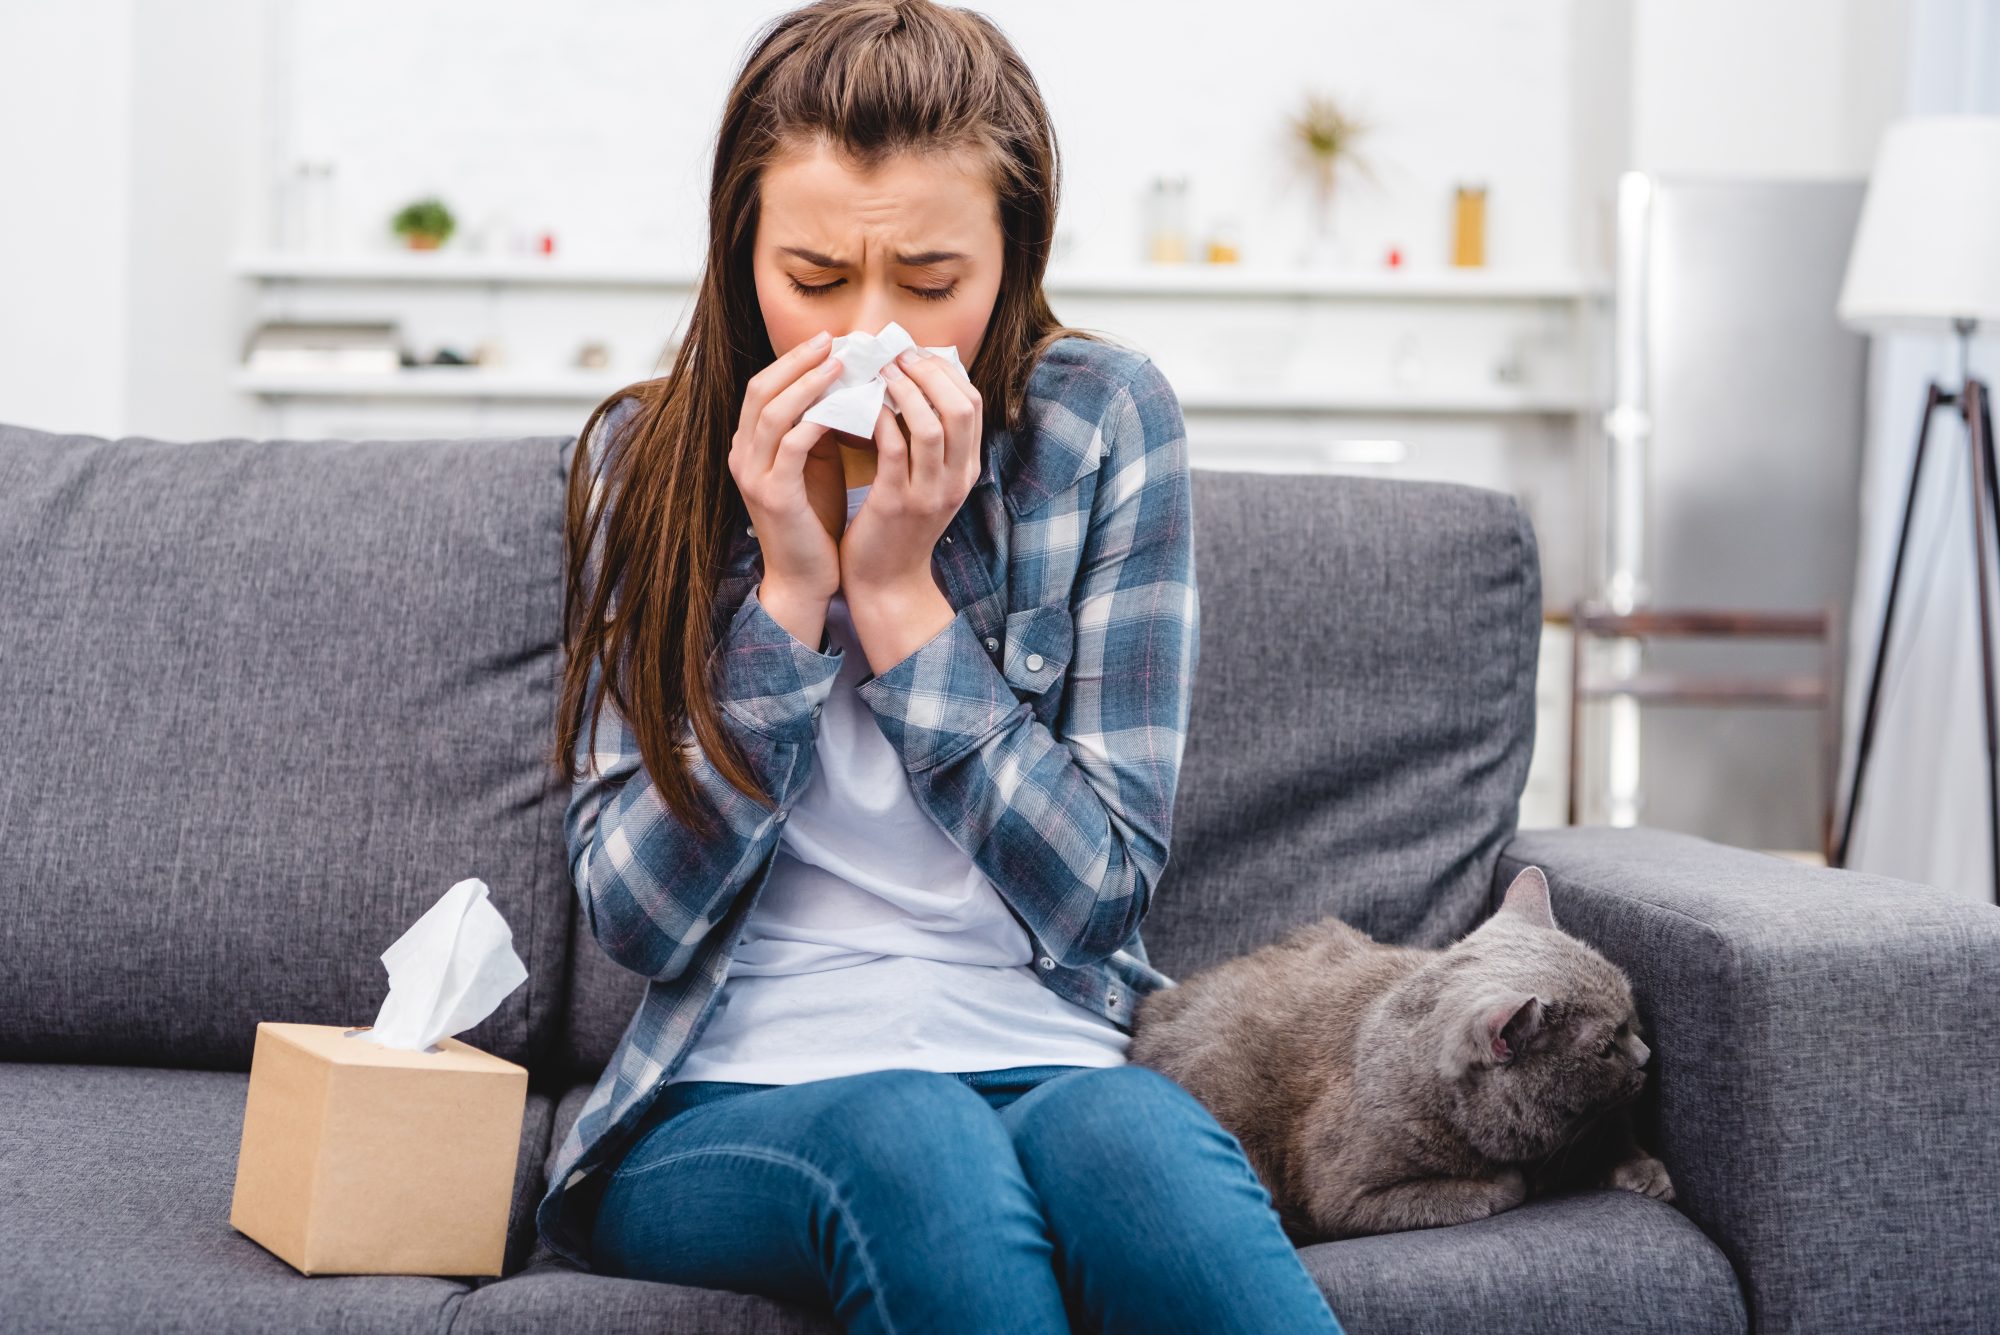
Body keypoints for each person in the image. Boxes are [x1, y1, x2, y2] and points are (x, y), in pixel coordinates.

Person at [536, 2, 1347, 1331]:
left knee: (1143, 1148)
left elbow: (1099, 895)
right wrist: (793, 595)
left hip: (1048, 1053)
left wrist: (903, 598)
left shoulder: (1102, 426)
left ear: (1012, 261)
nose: (870, 339)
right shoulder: (654, 463)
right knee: (914, 1136)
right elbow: (637, 922)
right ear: (740, 249)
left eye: (928, 288)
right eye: (812, 278)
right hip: (724, 1093)